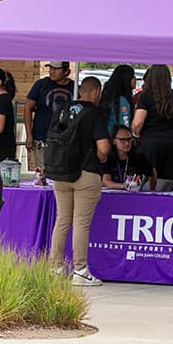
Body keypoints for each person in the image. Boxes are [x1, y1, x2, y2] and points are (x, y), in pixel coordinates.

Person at [45, 76, 110, 285]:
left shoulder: (63, 109)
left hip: (60, 173)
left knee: (62, 220)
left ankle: (55, 268)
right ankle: (80, 270)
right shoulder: (95, 113)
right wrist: (102, 158)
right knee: (81, 223)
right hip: (86, 173)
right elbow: (103, 148)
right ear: (96, 92)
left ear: (81, 91)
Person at [131, 64, 173, 186]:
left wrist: (135, 135)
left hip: (151, 143)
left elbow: (138, 122)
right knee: (170, 180)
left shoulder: (145, 96)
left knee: (149, 179)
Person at [24, 62, 75, 169]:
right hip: (41, 138)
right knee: (43, 174)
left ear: (66, 71)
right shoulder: (41, 84)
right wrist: (29, 135)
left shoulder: (74, 88)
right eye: (50, 68)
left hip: (65, 141)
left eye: (56, 69)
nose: (52, 71)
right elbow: (27, 108)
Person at [101, 124, 156, 191]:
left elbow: (153, 173)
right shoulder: (108, 158)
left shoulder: (139, 157)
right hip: (114, 196)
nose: (127, 143)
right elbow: (106, 181)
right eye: (122, 140)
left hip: (134, 195)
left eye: (129, 139)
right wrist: (124, 186)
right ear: (113, 141)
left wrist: (152, 191)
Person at [98, 65, 137, 134]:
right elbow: (125, 124)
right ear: (126, 79)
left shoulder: (111, 98)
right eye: (133, 76)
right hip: (119, 140)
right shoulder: (122, 101)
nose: (135, 79)